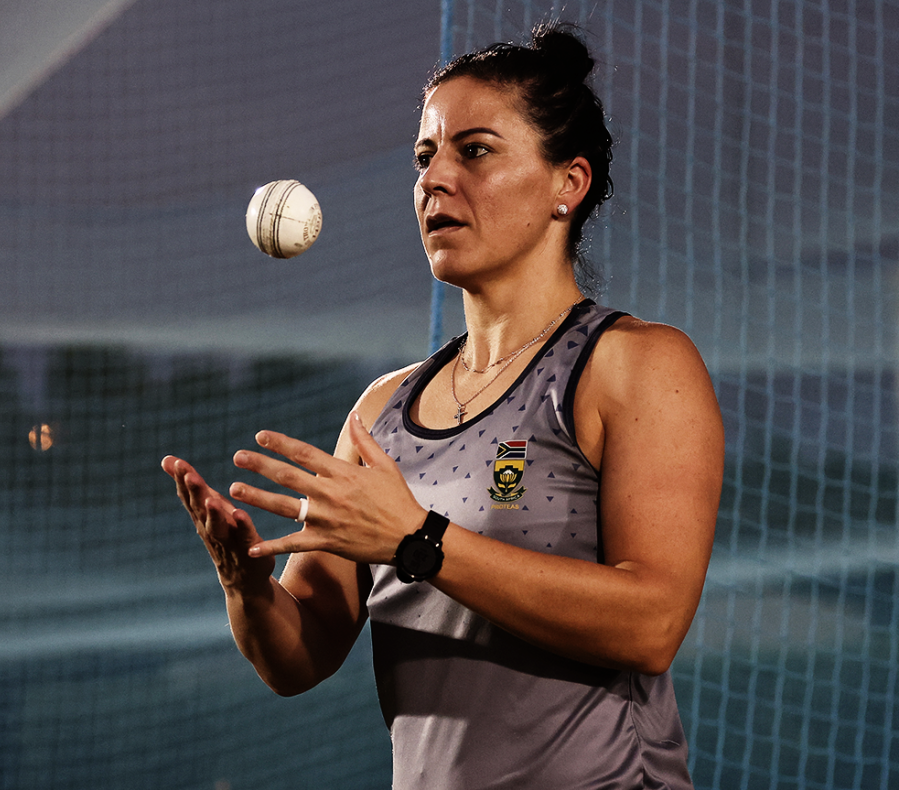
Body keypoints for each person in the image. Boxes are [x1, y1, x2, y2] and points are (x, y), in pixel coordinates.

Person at [163, 21, 723, 790]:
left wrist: (419, 541)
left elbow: (652, 622)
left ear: (569, 184)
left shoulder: (634, 365)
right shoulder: (384, 409)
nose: (434, 179)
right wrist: (247, 588)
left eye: (475, 150)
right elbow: (298, 658)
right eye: (425, 157)